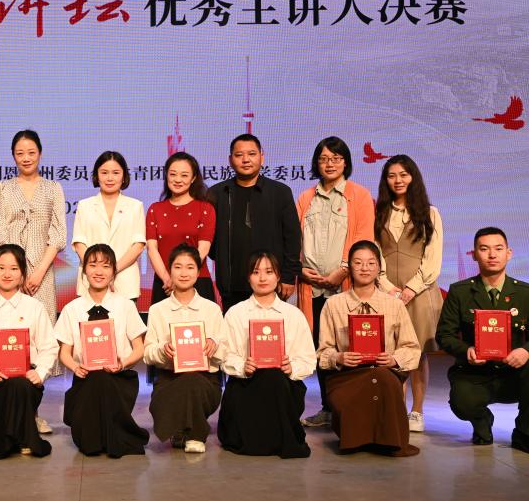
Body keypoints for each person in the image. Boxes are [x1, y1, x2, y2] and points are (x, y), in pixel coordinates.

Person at [436, 227, 529, 455]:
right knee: (461, 401)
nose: (492, 255)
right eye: (484, 249)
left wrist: (526, 352)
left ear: (508, 253)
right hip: (475, 373)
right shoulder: (460, 292)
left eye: (498, 249)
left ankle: (525, 434)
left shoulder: (527, 293)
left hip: (514, 373)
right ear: (474, 255)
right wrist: (466, 350)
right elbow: (444, 335)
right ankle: (482, 421)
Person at [0, 129, 67, 433]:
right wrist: (16, 272)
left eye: (31, 152)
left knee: (38, 338)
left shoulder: (53, 188)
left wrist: (37, 272)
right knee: (10, 337)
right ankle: (9, 410)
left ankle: (33, 412)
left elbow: (58, 234)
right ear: (13, 156)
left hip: (42, 275)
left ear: (40, 154)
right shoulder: (3, 189)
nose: (26, 158)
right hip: (10, 274)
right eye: (20, 153)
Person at [296, 136, 375, 428]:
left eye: (336, 158)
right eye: (324, 159)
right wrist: (301, 270)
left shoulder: (360, 195)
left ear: (346, 162)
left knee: (351, 345)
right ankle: (328, 408)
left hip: (346, 287)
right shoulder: (306, 197)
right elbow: (296, 239)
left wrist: (343, 270)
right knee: (323, 347)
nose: (330, 164)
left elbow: (364, 238)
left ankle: (352, 407)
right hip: (312, 287)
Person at [317, 240, 421, 457]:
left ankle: (387, 439)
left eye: (371, 263)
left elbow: (411, 348)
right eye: (358, 263)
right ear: (349, 268)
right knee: (370, 382)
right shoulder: (333, 304)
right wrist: (339, 358)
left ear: (379, 268)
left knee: (381, 376)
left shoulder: (394, 304)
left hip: (385, 371)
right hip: (347, 376)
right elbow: (323, 353)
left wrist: (393, 359)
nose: (364, 268)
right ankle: (358, 438)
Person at [55, 244, 149, 457]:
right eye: (93, 265)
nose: (99, 271)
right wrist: (75, 367)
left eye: (106, 266)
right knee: (96, 379)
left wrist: (122, 364)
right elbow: (64, 352)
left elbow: (139, 348)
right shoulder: (72, 309)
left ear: (114, 271)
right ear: (84, 269)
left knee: (103, 379)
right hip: (85, 378)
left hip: (118, 378)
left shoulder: (126, 306)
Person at [0, 244, 58, 459]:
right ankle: (16, 434)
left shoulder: (35, 307)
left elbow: (49, 347)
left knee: (18, 385)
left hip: (23, 381)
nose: (7, 274)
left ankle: (22, 436)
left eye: (14, 269)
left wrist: (40, 373)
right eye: (1, 268)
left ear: (23, 273)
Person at [219, 251, 314, 458]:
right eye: (256, 272)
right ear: (248, 277)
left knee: (274, 378)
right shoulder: (235, 313)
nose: (262, 278)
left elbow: (308, 359)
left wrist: (292, 367)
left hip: (284, 385)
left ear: (278, 276)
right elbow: (225, 356)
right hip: (246, 383)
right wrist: (243, 366)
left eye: (269, 272)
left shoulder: (294, 315)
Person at [374, 154, 444, 432]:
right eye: (392, 175)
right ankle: (396, 408)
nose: (398, 180)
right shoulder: (379, 212)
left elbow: (432, 258)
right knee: (390, 353)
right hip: (386, 293)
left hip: (420, 293)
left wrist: (411, 289)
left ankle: (417, 411)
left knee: (417, 354)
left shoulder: (430, 213)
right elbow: (374, 253)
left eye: (403, 174)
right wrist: (386, 286)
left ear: (413, 177)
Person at [144, 244, 227, 454]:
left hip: (205, 380)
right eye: (178, 267)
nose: (183, 273)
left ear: (198, 272)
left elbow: (226, 352)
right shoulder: (157, 310)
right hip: (169, 379)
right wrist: (163, 350)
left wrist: (214, 345)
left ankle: (194, 434)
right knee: (184, 383)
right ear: (169, 271)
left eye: (190, 267)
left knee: (192, 380)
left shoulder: (212, 309)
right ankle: (183, 428)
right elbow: (147, 353)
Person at [207, 134, 300, 313]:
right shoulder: (218, 193)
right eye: (239, 155)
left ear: (261, 157)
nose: (246, 160)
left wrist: (289, 276)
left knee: (269, 329)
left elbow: (292, 238)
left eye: (251, 154)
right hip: (231, 285)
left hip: (271, 283)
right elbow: (210, 240)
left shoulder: (280, 192)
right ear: (230, 160)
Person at [71, 151, 146, 302]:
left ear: (124, 176)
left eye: (116, 173)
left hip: (124, 281)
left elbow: (138, 245)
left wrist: (112, 271)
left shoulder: (135, 206)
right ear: (96, 175)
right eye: (104, 173)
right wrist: (98, 271)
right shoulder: (84, 205)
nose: (110, 178)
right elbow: (79, 244)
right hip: (91, 281)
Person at [146, 152, 216, 304]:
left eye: (184, 175)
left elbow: (203, 249)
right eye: (173, 174)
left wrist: (183, 275)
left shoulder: (205, 209)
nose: (178, 180)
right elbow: (152, 249)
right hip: (164, 283)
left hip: (197, 280)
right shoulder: (155, 209)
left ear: (193, 178)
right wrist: (167, 278)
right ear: (166, 176)